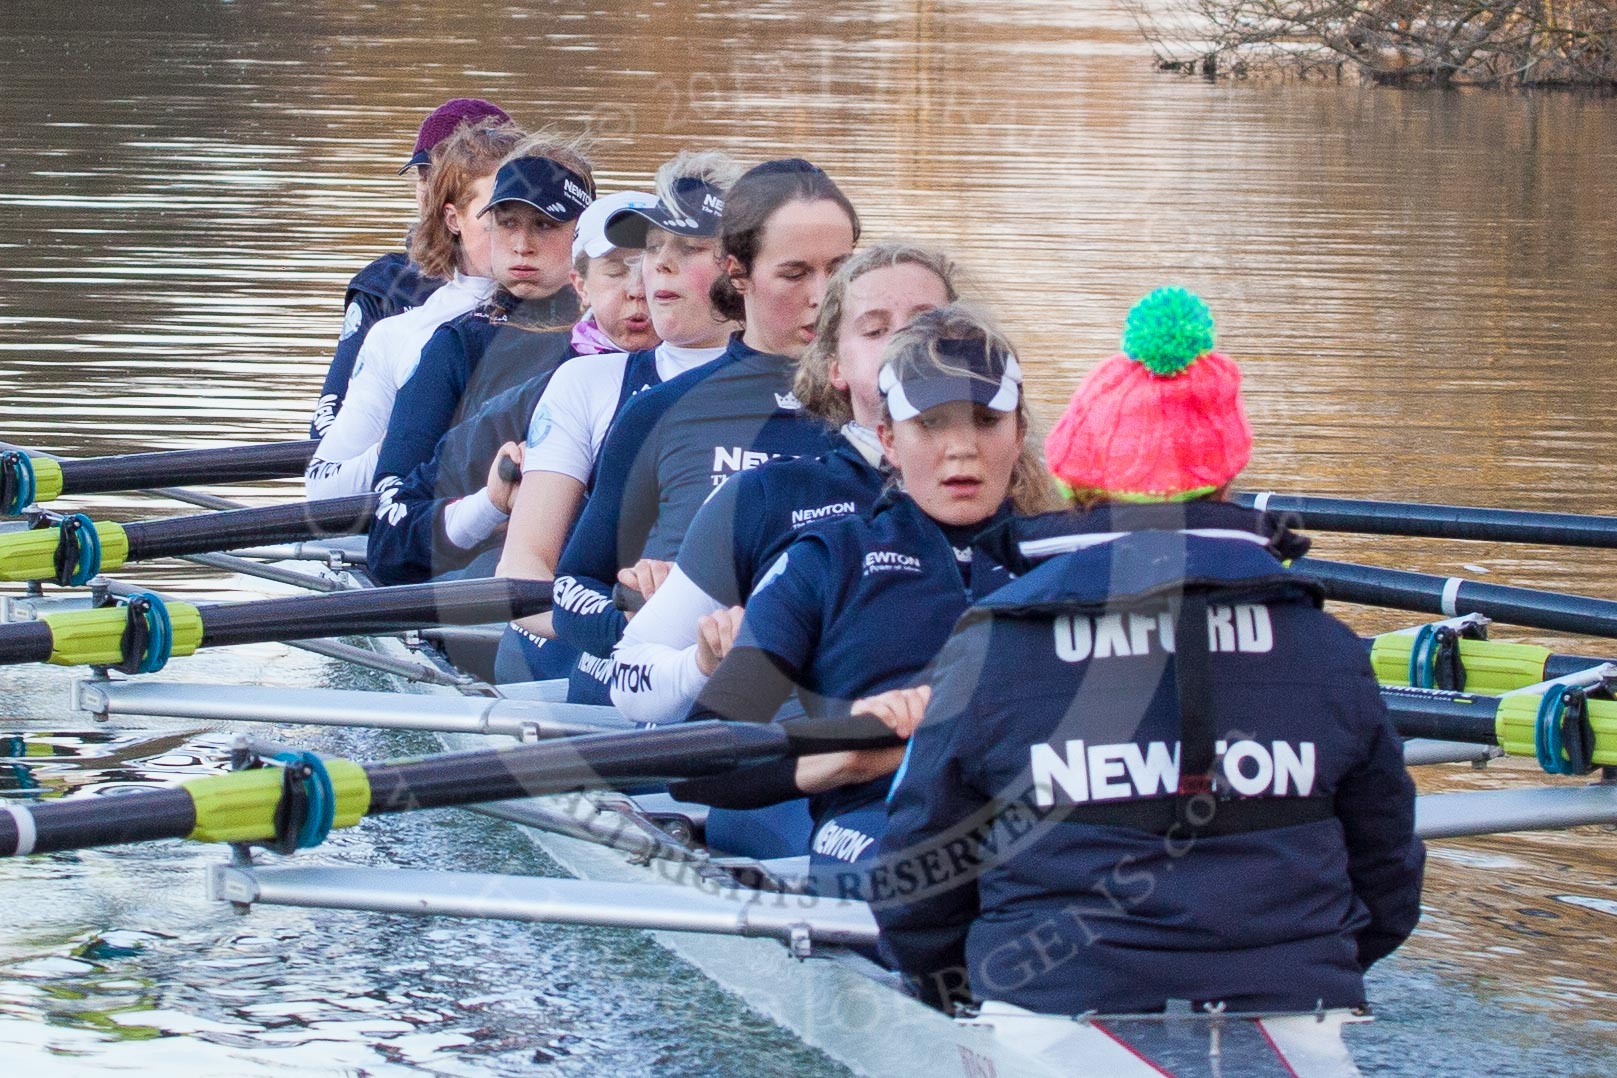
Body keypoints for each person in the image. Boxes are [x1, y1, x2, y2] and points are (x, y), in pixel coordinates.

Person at [874, 288, 1425, 1017]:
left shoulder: (993, 641)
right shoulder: (1326, 646)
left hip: (1049, 1010)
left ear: (1077, 481)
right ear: (1226, 478)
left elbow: (916, 882)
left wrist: (964, 986)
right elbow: (1387, 879)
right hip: (1297, 1011)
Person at [675, 305, 1059, 880]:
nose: (961, 448)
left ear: (1019, 431)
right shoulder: (826, 562)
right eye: (930, 423)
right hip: (878, 818)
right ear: (889, 441)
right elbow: (697, 767)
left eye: (984, 419)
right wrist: (845, 756)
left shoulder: (1069, 562)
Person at [608, 242, 963, 725]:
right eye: (876, 329)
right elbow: (629, 679)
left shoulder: (1012, 497)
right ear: (835, 366)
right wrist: (703, 663)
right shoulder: (764, 498)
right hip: (796, 780)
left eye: (926, 324)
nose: (904, 343)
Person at [544, 158, 859, 701]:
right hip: (664, 702)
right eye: (795, 273)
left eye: (841, 270)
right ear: (738, 274)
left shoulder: (881, 415)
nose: (824, 296)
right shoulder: (659, 413)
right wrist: (643, 617)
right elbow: (571, 588)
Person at [494, 151, 746, 681]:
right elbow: (523, 570)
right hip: (600, 657)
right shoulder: (588, 384)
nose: (658, 266)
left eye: (690, 247)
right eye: (654, 246)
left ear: (743, 267)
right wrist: (632, 625)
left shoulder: (813, 392)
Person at [364, 187, 660, 588]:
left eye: (657, 268)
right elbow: (391, 544)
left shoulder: (741, 385)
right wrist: (490, 505)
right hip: (549, 613)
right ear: (581, 284)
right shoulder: (539, 392)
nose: (638, 290)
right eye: (616, 269)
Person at [305, 120, 523, 499]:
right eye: (497, 217)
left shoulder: (598, 322)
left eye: (541, 220)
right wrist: (401, 446)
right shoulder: (399, 335)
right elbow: (323, 486)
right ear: (453, 220)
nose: (518, 239)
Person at [371, 135, 598, 496]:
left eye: (544, 225)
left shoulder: (624, 338)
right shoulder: (456, 346)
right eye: (508, 223)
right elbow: (391, 498)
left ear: (584, 232)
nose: (522, 245)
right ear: (489, 226)